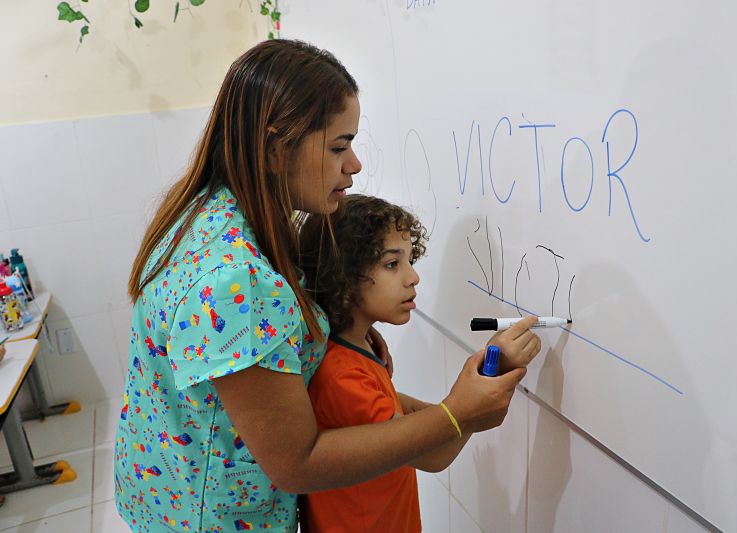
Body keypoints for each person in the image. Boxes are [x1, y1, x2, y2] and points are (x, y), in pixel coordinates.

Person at [114, 39, 541, 533]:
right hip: (214, 519)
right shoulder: (234, 278)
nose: (354, 164)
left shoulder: (209, 213)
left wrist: (331, 331)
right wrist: (454, 415)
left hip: (166, 491)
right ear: (276, 148)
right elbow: (298, 461)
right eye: (339, 146)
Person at [298, 194, 496, 532]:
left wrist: (455, 409)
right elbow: (433, 456)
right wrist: (476, 404)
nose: (413, 277)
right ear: (343, 276)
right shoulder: (341, 376)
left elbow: (398, 412)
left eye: (409, 260)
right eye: (393, 264)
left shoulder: (355, 348)